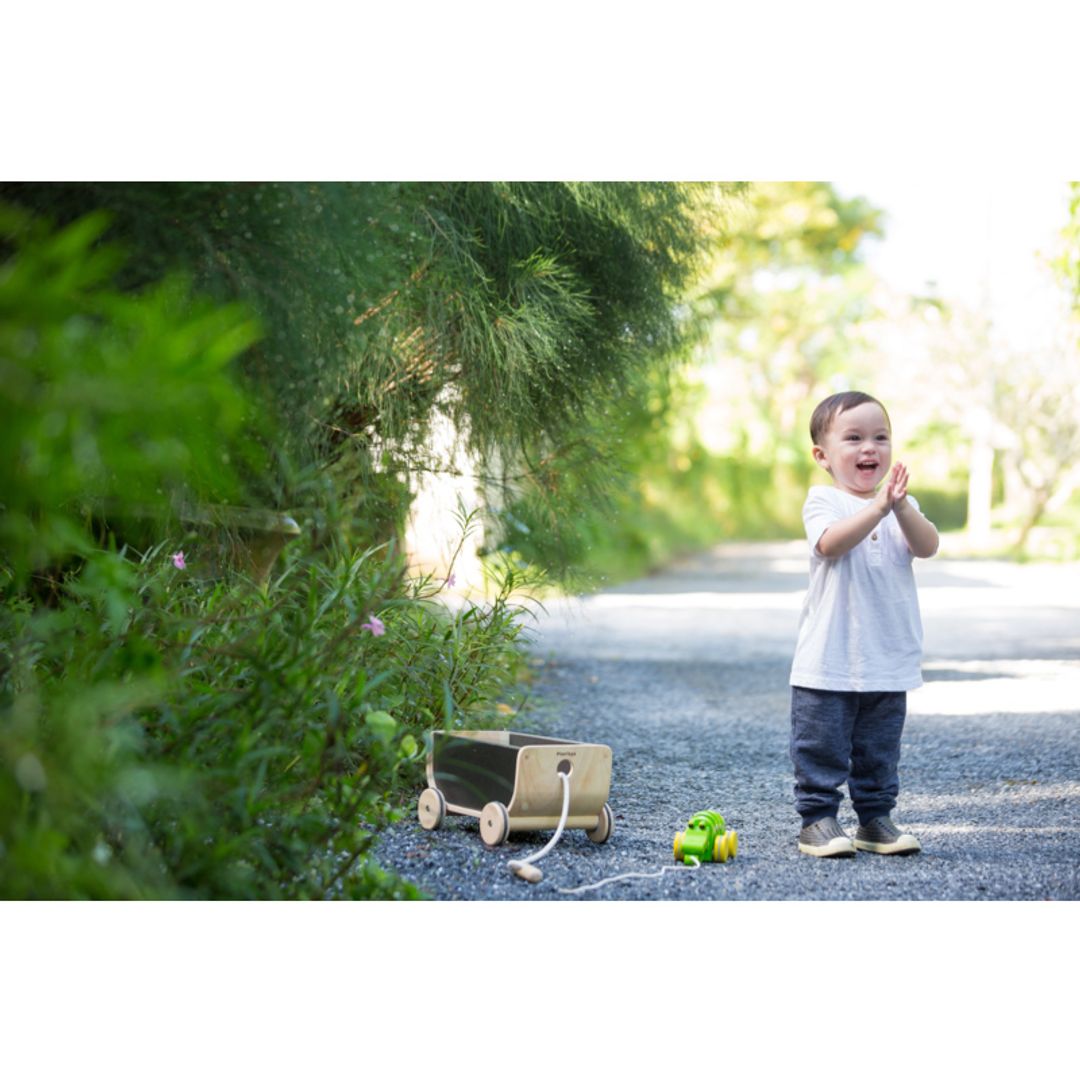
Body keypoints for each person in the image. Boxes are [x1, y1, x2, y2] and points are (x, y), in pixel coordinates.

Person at [789, 391, 939, 857]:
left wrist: (899, 507)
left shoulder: (899, 507)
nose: (869, 448)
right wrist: (877, 508)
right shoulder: (824, 501)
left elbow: (928, 545)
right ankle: (818, 820)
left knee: (879, 750)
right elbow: (831, 545)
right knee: (822, 746)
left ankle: (875, 820)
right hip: (829, 660)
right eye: (853, 438)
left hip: (887, 659)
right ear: (823, 456)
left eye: (880, 437)